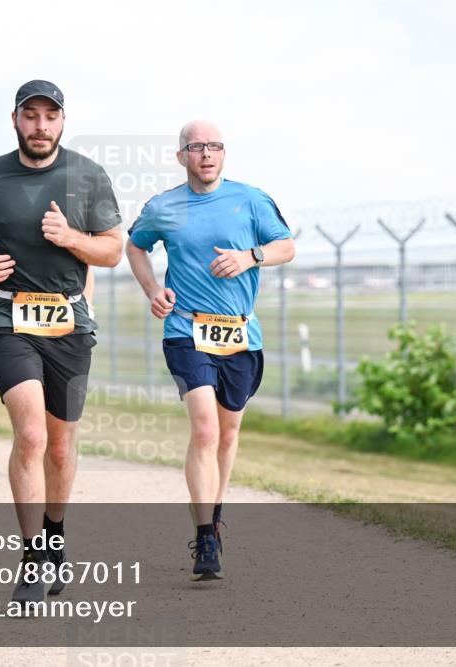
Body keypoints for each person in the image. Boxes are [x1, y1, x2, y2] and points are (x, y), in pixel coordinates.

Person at [0, 80, 122, 604]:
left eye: (50, 116)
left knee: (60, 446)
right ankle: (31, 557)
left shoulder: (89, 175)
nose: (40, 126)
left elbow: (113, 251)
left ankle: (54, 535)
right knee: (31, 435)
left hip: (69, 321)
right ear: (15, 120)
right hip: (9, 315)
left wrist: (71, 238)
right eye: (31, 115)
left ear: (63, 121)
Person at [126, 120, 295, 581]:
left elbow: (286, 247)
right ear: (181, 156)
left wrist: (250, 257)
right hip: (186, 329)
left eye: (214, 146)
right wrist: (152, 290)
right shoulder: (163, 207)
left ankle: (214, 516)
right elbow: (135, 247)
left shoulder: (251, 200)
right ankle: (203, 537)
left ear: (224, 153)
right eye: (196, 146)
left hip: (240, 335)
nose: (206, 154)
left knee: (227, 432)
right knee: (204, 430)